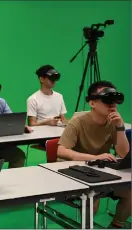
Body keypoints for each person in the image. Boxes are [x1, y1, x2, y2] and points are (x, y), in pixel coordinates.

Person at [57, 81, 131, 229]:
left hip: (101, 170)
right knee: (93, 200)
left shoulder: (113, 123)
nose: (112, 104)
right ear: (92, 103)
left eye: (115, 100)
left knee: (130, 193)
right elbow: (61, 151)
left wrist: (120, 128)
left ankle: (116, 225)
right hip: (75, 172)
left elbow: (123, 153)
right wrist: (94, 157)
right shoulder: (78, 121)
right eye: (107, 99)